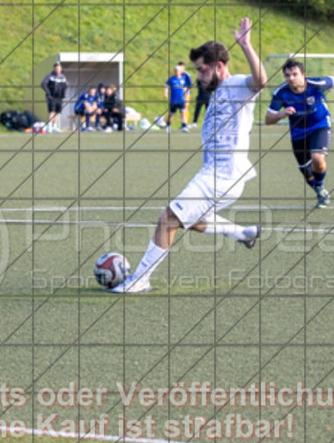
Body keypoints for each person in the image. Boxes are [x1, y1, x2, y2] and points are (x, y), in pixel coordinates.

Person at [112, 17, 265, 294]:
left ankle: (140, 279)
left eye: (202, 70)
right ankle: (242, 233)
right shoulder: (217, 93)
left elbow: (261, 81)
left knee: (169, 218)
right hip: (216, 173)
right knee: (191, 219)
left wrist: (246, 46)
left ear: (219, 66)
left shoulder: (237, 85)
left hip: (223, 176)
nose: (199, 76)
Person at [265, 58, 334, 209]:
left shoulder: (316, 84)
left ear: (303, 75)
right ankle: (319, 189)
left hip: (320, 124)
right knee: (306, 172)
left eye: (295, 74)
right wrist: (282, 114)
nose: (291, 78)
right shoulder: (281, 93)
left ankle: (319, 185)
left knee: (317, 158)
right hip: (298, 132)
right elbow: (268, 119)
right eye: (287, 75)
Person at [164, 62, 193, 132]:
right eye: (176, 71)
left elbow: (185, 89)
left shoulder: (183, 80)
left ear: (180, 72)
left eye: (178, 71)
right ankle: (168, 125)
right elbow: (166, 86)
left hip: (181, 100)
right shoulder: (171, 79)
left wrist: (185, 99)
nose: (177, 72)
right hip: (173, 100)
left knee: (183, 113)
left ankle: (184, 126)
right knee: (171, 114)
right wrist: (165, 93)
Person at [41, 62, 67, 133]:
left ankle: (54, 126)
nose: (58, 69)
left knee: (57, 112)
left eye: (59, 68)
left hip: (59, 97)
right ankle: (49, 127)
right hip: (52, 97)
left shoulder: (63, 77)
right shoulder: (50, 76)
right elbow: (43, 84)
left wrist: (63, 95)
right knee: (51, 111)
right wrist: (49, 93)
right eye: (56, 68)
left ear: (61, 69)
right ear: (54, 69)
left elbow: (65, 86)